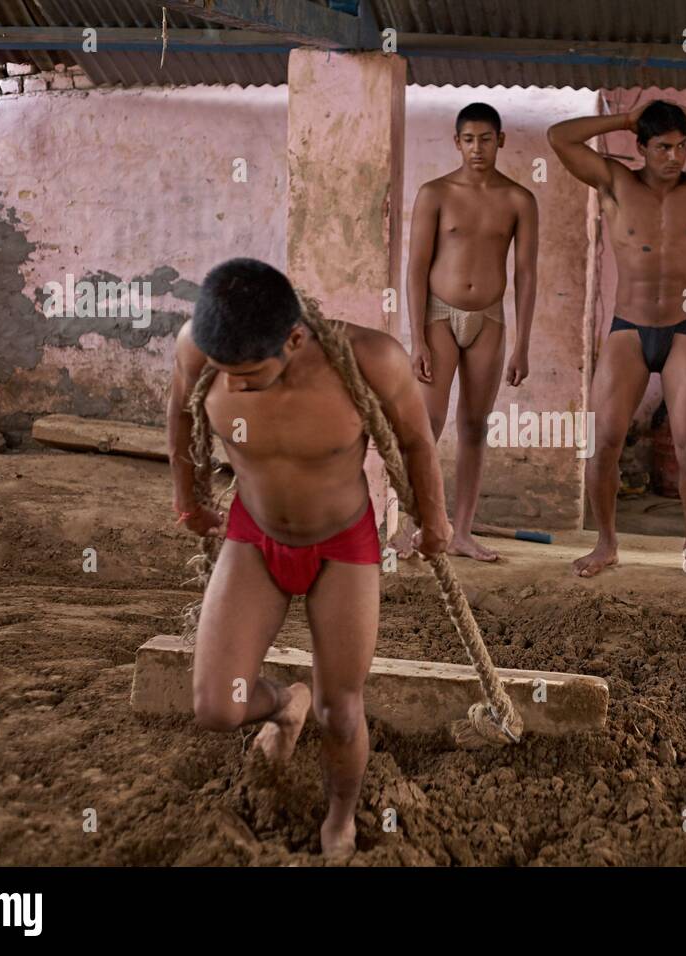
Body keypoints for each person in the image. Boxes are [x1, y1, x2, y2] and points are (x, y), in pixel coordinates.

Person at [167, 258, 452, 861]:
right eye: (225, 374)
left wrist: (435, 521)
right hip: (255, 537)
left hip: (341, 546)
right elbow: (180, 413)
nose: (235, 387)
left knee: (341, 712)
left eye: (250, 375)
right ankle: (282, 704)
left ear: (294, 340)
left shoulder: (370, 359)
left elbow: (416, 440)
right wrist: (186, 497)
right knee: (217, 707)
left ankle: (339, 820)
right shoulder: (200, 346)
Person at [548, 99, 686, 580]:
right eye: (662, 147)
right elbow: (560, 137)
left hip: (683, 329)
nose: (674, 156)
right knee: (604, 441)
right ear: (642, 148)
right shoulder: (615, 182)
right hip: (628, 330)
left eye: (680, 145)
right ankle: (606, 544)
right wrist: (625, 118)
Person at [405, 102, 538, 562]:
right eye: (468, 139)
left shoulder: (520, 199)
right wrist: (417, 337)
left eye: (485, 139)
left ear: (501, 141)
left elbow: (525, 274)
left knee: (475, 426)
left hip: (491, 319)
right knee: (428, 424)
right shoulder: (434, 193)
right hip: (439, 315)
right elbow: (416, 268)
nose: (477, 148)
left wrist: (523, 344)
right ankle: (413, 528)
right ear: (456, 142)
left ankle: (460, 533)